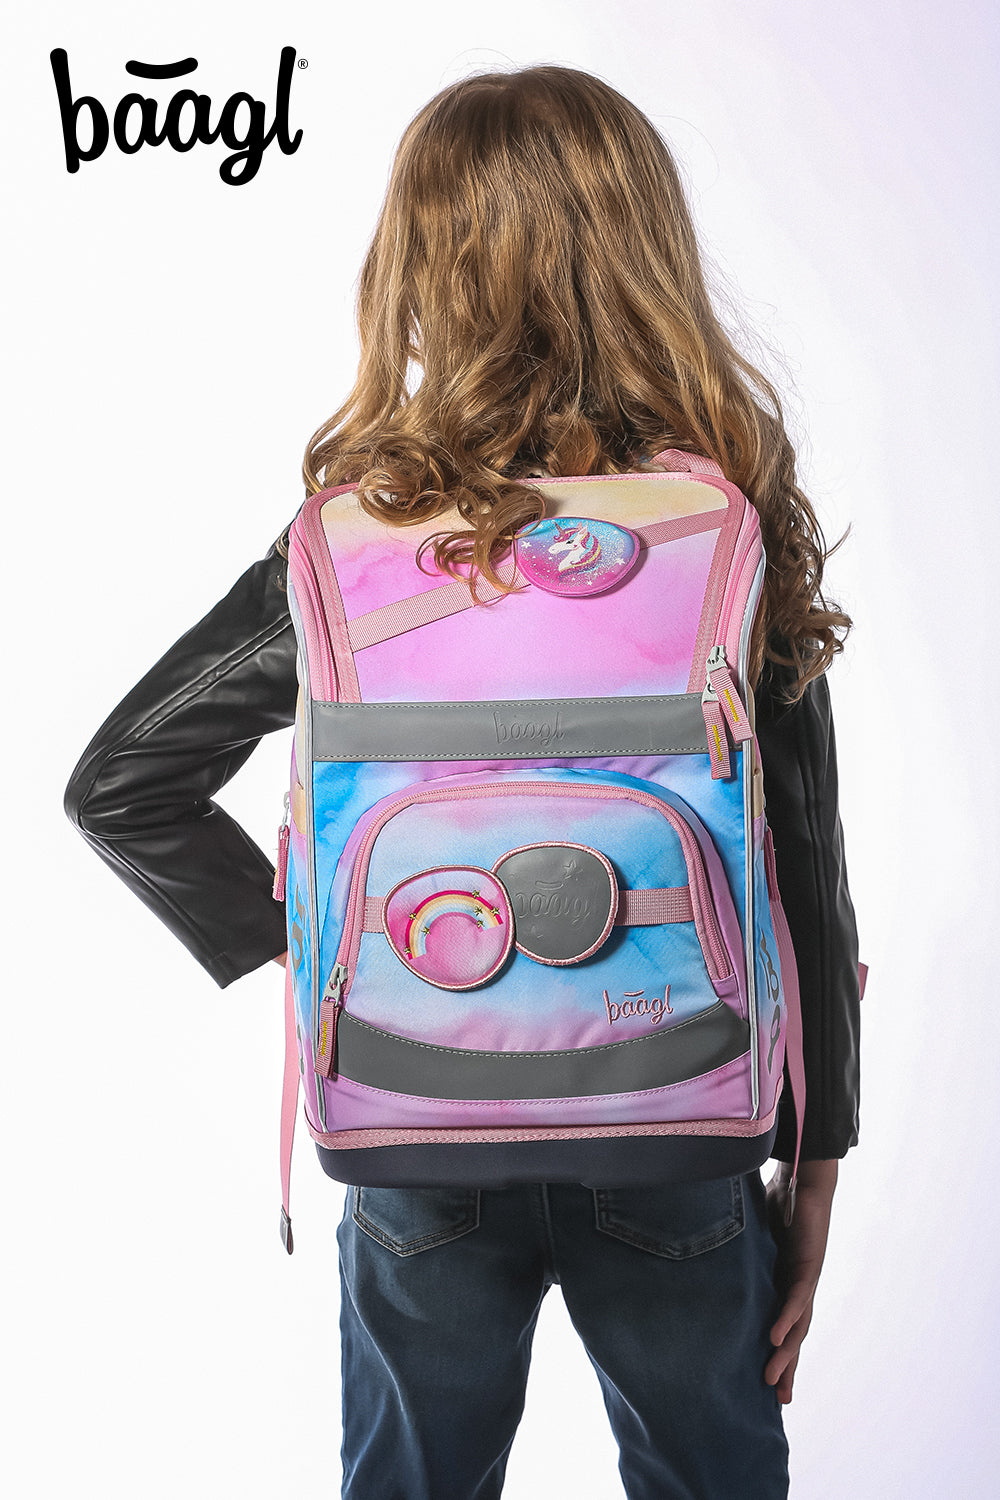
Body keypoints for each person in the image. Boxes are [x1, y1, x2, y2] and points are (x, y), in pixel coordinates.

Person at [65, 65, 861, 1500]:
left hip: (411, 1111)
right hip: (678, 1113)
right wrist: (816, 1169)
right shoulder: (718, 526)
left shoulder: (352, 545)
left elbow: (123, 783)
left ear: (420, 268)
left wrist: (322, 950)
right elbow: (800, 863)